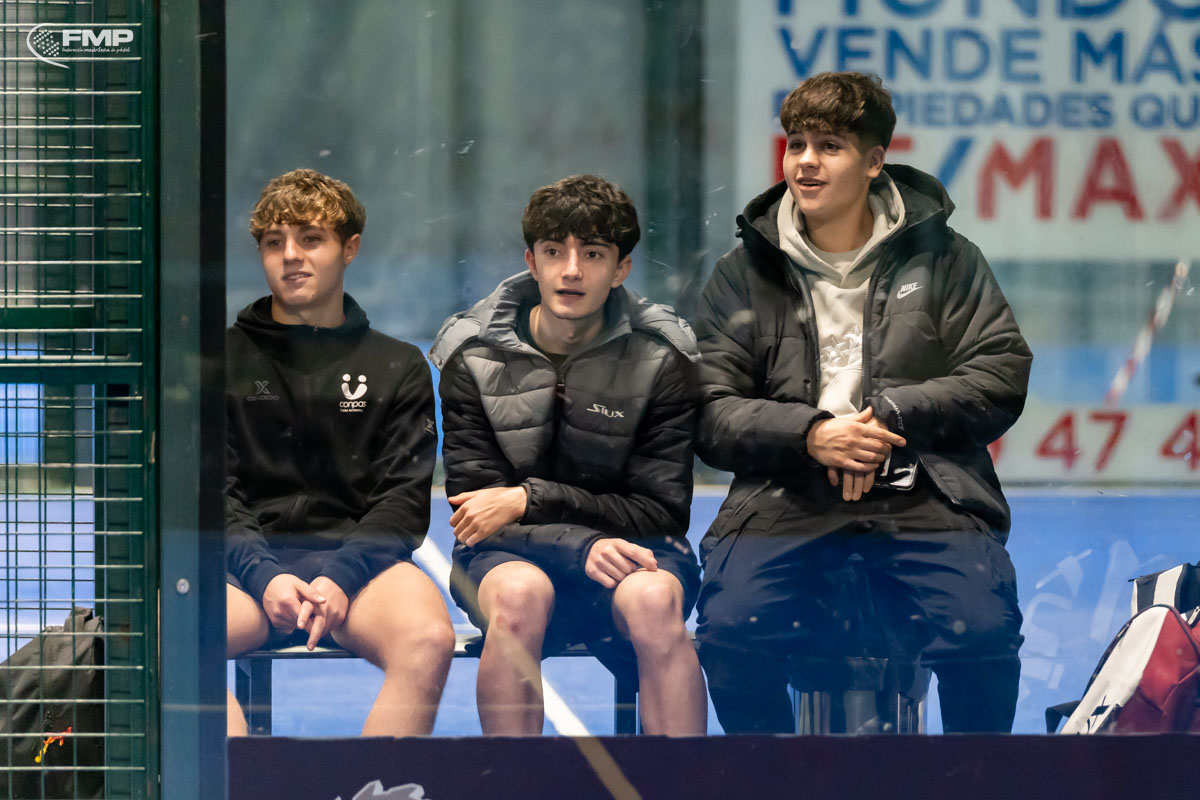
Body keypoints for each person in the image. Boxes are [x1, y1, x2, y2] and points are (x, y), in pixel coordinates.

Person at [693, 72, 1030, 734]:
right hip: (786, 490)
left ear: (875, 161)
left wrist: (888, 421)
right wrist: (812, 435)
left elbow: (1000, 372)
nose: (806, 162)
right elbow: (707, 407)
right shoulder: (742, 274)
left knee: (983, 631)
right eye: (796, 144)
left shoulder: (948, 260)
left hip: (925, 485)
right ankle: (772, 779)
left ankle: (975, 780)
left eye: (830, 146)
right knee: (730, 631)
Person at [430, 174, 706, 735]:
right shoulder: (472, 358)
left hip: (635, 549)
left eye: (593, 254)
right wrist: (580, 544)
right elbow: (477, 516)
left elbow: (662, 511)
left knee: (655, 602)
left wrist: (528, 499)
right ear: (531, 262)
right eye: (555, 251)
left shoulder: (663, 361)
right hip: (506, 558)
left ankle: (680, 778)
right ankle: (512, 780)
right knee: (519, 595)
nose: (572, 270)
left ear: (621, 268)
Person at [225, 168, 455, 736]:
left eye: (311, 239)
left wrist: (340, 579)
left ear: (349, 249)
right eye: (274, 242)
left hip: (358, 570)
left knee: (428, 638)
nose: (291, 256)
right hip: (241, 570)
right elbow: (211, 495)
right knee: (166, 640)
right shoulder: (219, 361)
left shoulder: (397, 366)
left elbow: (402, 502)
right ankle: (234, 779)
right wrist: (264, 577)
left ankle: (375, 781)